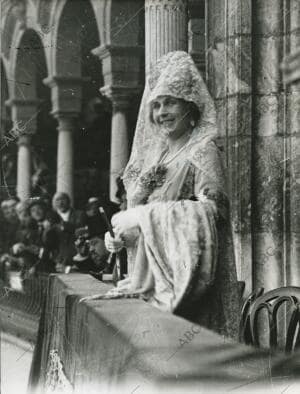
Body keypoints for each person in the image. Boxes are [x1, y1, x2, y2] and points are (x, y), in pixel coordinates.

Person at [104, 51, 240, 338]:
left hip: (185, 286)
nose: (161, 113)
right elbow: (148, 227)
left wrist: (141, 216)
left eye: (170, 103)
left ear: (190, 107)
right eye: (157, 105)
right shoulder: (160, 156)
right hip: (152, 279)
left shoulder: (202, 150)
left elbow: (214, 212)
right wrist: (123, 237)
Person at [52, 192, 86, 271]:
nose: (60, 202)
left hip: (76, 257)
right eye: (57, 200)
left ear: (69, 201)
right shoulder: (52, 217)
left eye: (63, 199)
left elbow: (80, 231)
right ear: (54, 203)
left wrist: (64, 226)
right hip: (59, 260)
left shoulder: (79, 214)